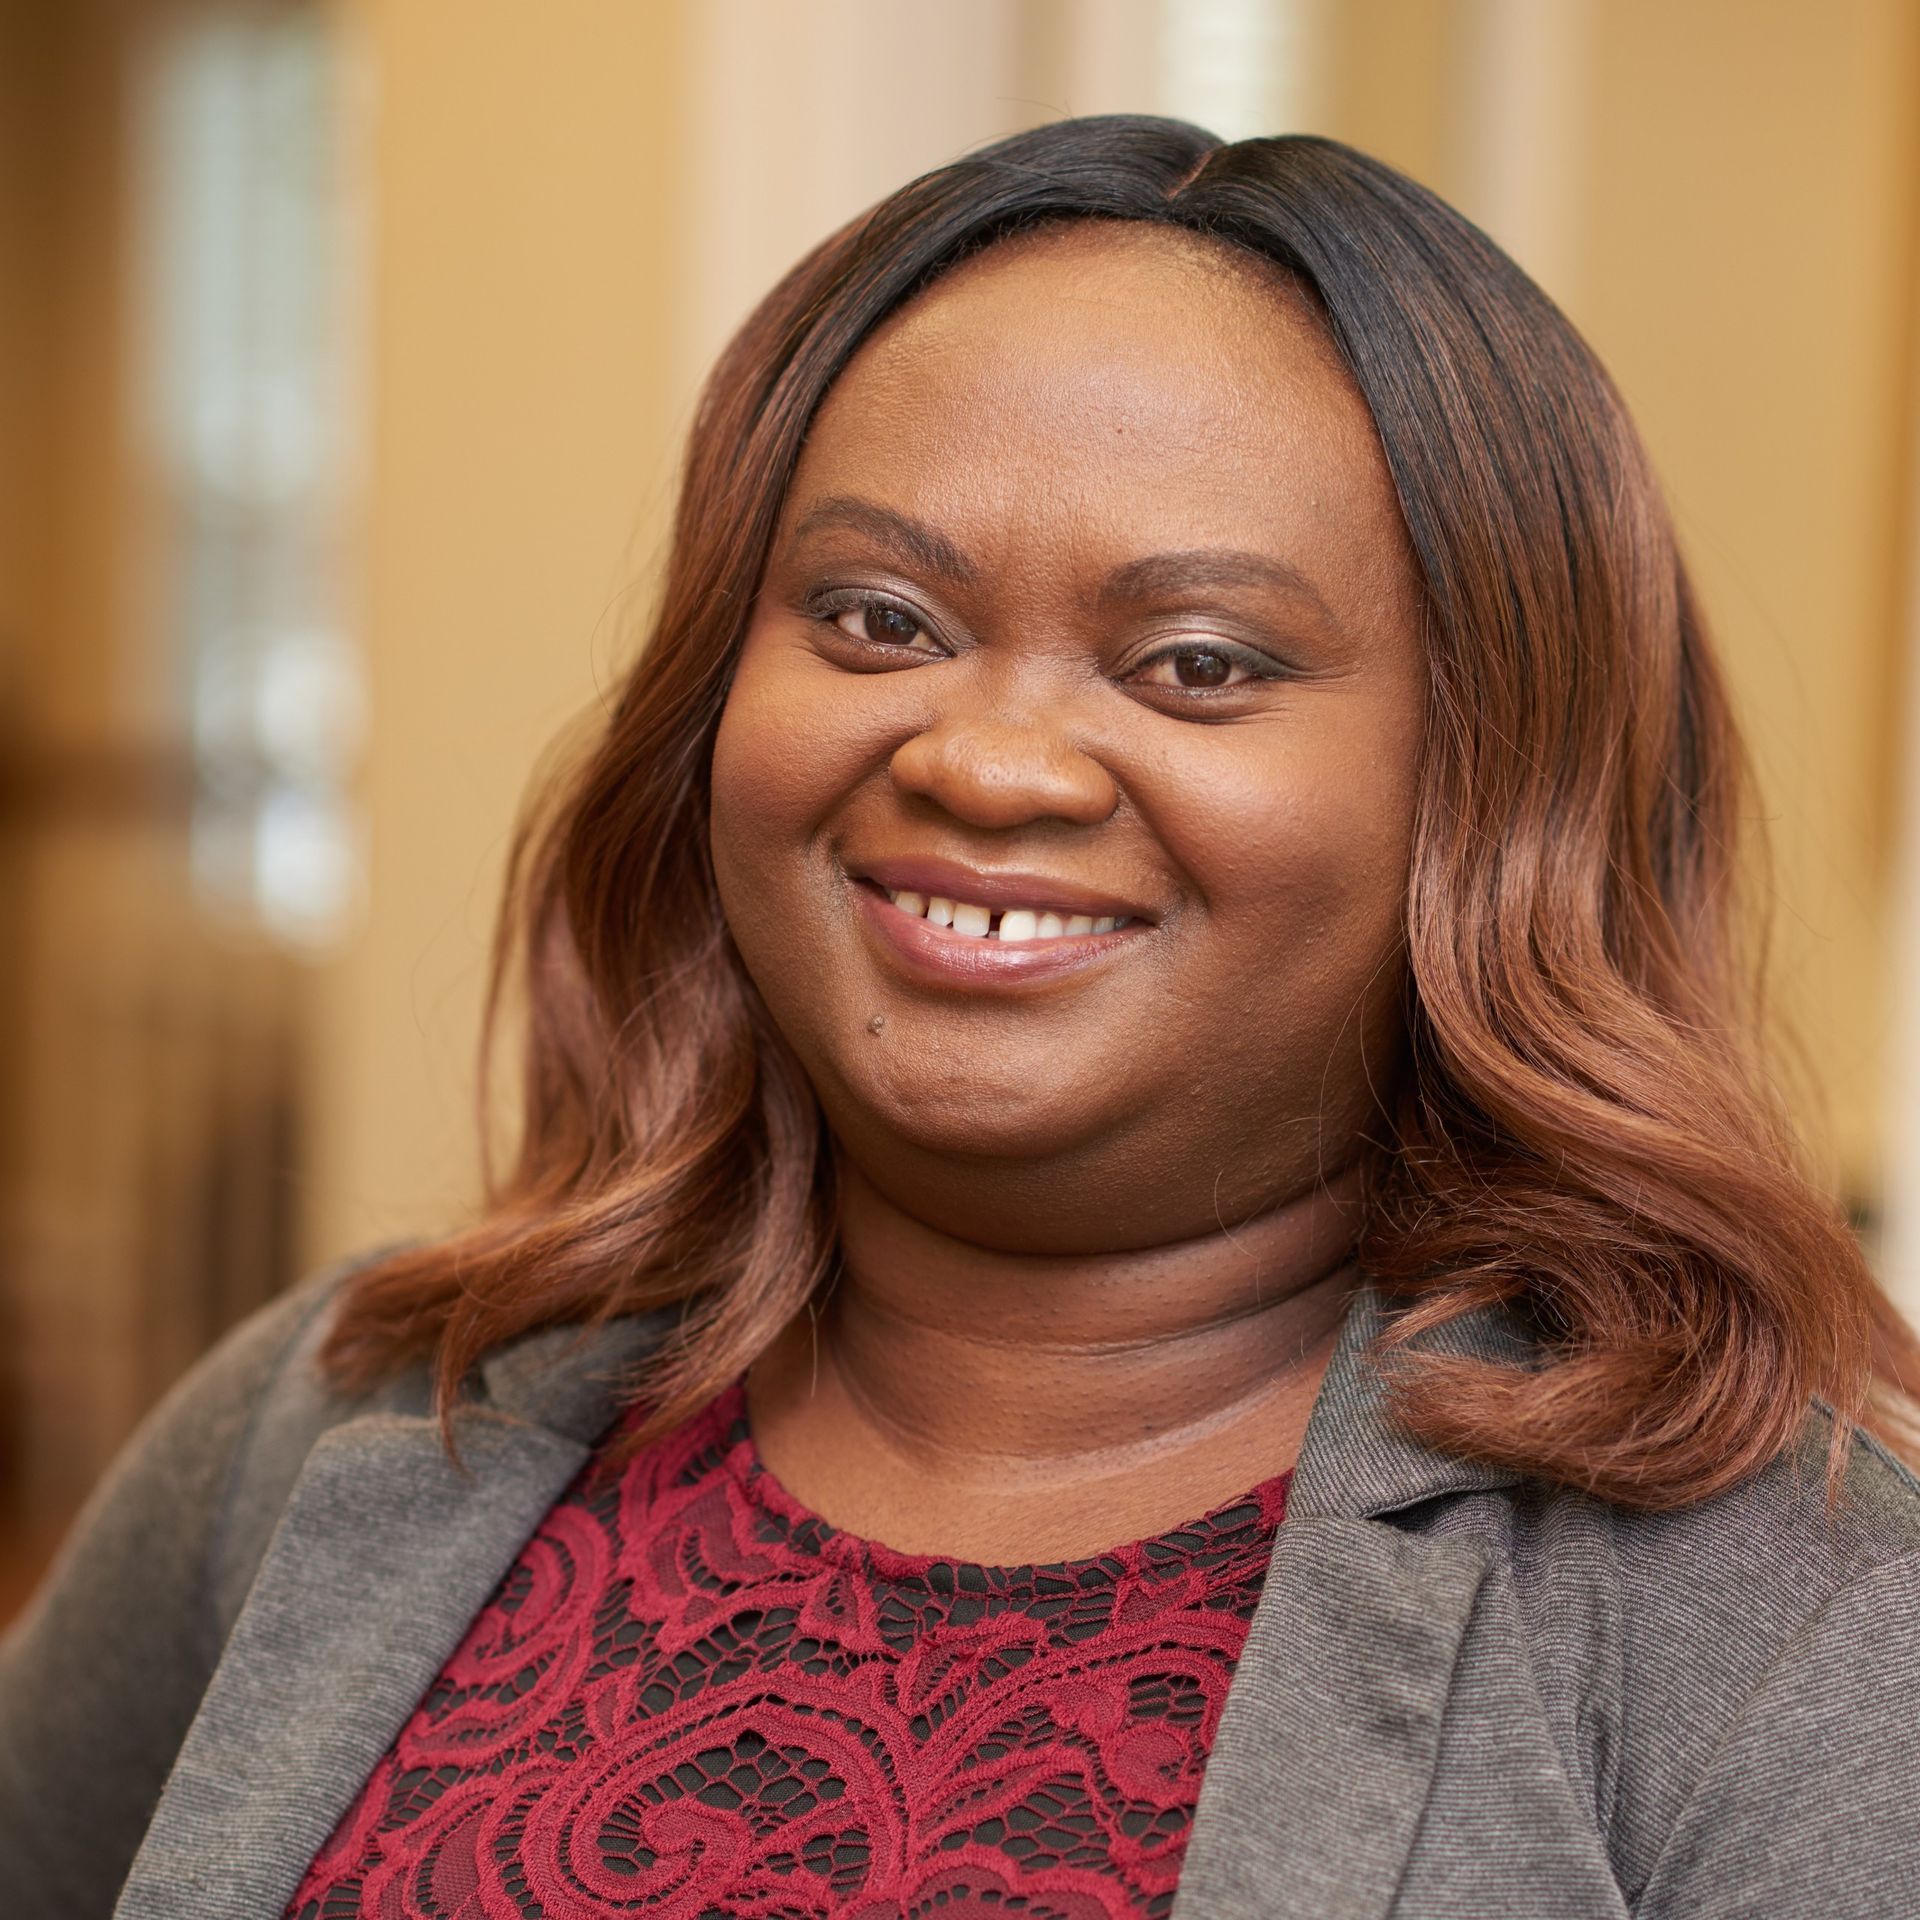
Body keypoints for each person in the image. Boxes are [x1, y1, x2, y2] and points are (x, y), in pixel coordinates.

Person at [4, 114, 1918, 1920]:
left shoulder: (1803, 1628)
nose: (989, 761)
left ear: (1494, 793)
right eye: (876, 623)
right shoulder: (337, 1418)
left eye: (1196, 662)